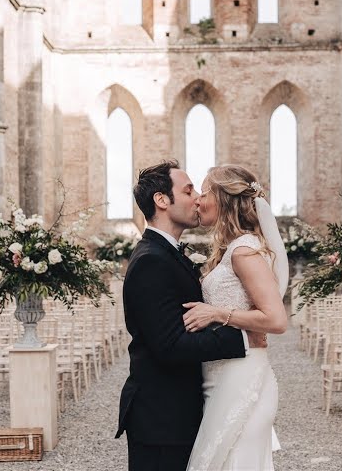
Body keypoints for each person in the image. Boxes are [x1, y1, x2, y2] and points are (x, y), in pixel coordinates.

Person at [116, 160, 247, 471]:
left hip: (177, 413)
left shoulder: (167, 253)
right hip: (162, 420)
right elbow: (170, 346)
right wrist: (239, 335)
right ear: (162, 200)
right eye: (188, 191)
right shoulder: (151, 261)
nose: (197, 199)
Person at [180, 165, 290, 471]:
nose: (199, 201)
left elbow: (276, 320)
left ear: (224, 199)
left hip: (243, 375)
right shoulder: (233, 249)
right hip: (221, 375)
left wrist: (216, 313)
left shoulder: (244, 251)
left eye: (204, 193)